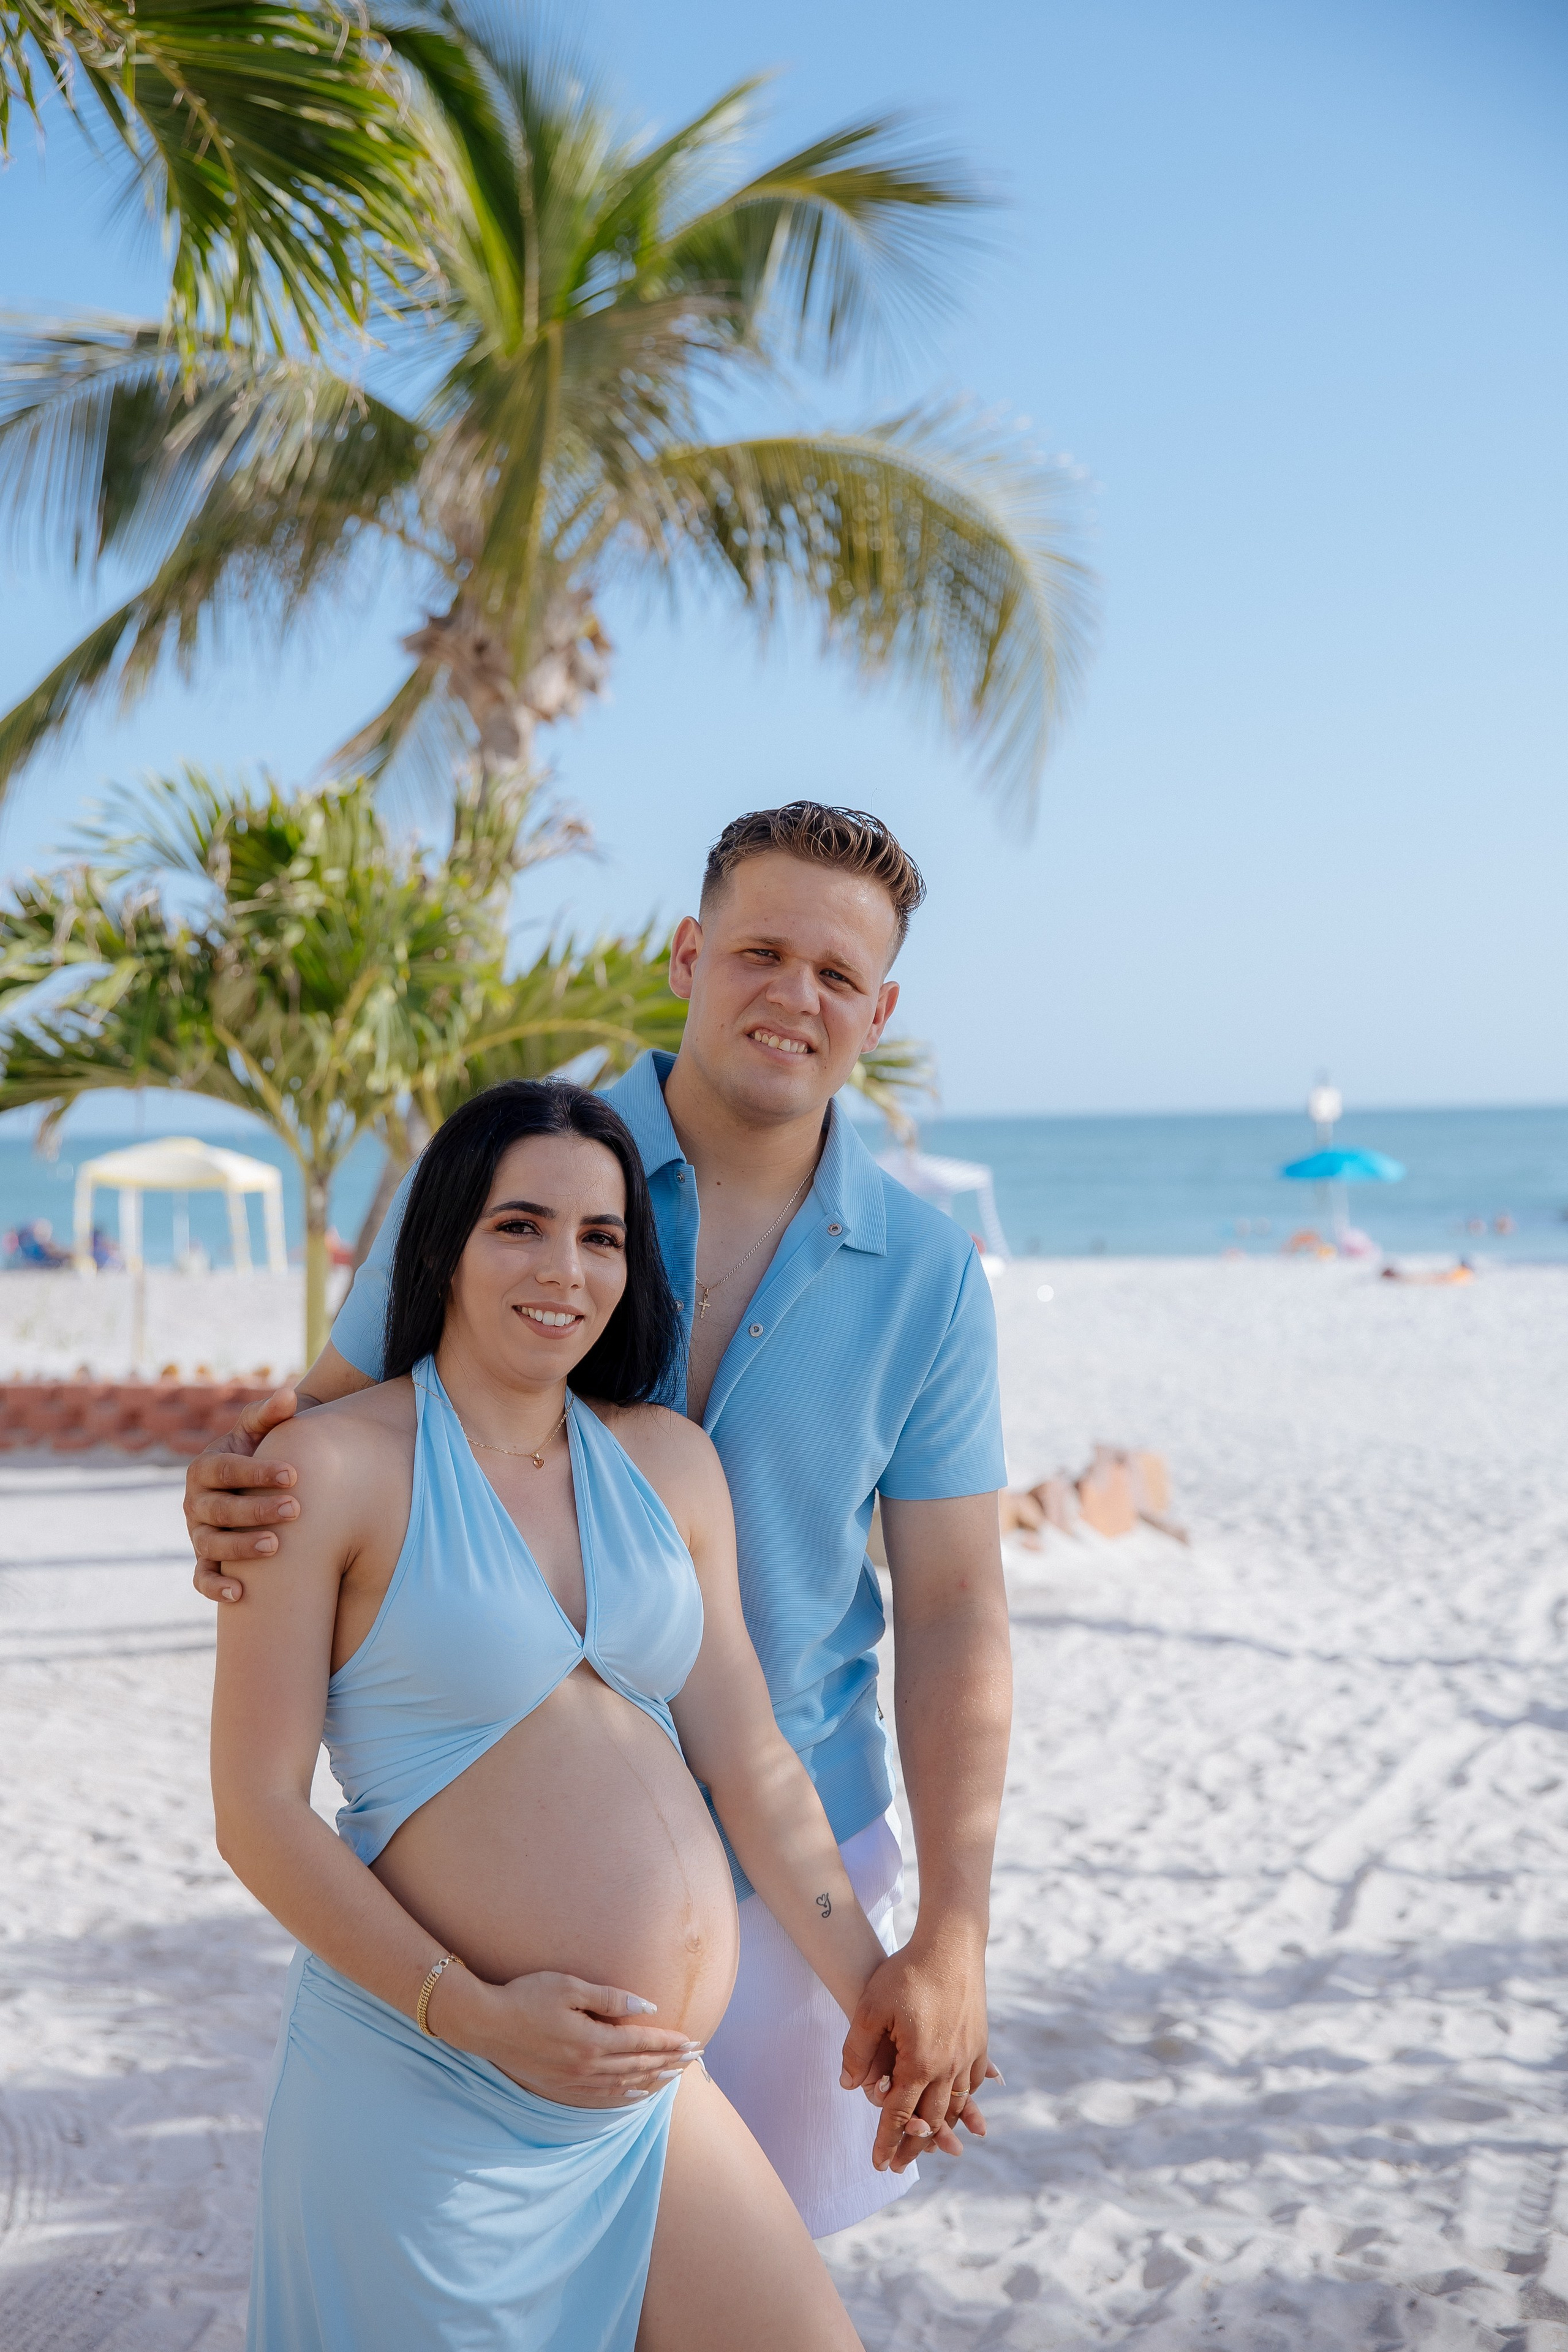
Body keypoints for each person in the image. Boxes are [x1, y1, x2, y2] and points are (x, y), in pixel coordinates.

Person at [187, 801, 1012, 2231]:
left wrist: (948, 1933)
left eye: (834, 975)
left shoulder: (930, 1274)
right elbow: (312, 1436)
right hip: (481, 1900)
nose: (790, 996)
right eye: (759, 950)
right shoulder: (516, 1169)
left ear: (877, 1011)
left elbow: (950, 1610)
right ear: (688, 955)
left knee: (760, 2285)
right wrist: (226, 1494)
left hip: (802, 1861)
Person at [216, 1078, 885, 2348]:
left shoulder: (668, 1465)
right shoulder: (329, 1470)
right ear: (442, 1245)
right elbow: (254, 1814)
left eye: (600, 1236)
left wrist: (871, 1990)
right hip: (427, 2079)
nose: (562, 1269)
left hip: (637, 2101)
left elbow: (747, 1759)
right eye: (518, 1225)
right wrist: (466, 2010)